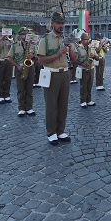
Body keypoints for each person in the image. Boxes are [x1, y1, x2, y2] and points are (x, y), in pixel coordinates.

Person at [37, 12, 77, 145]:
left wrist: (70, 48)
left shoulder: (66, 38)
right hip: (51, 74)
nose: (61, 26)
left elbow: (74, 59)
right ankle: (51, 132)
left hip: (65, 74)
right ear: (52, 24)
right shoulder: (46, 39)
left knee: (63, 105)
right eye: (58, 23)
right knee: (51, 105)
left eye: (62, 23)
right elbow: (40, 60)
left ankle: (61, 131)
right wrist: (58, 53)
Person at [8, 27, 35, 117]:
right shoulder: (15, 45)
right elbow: (9, 57)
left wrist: (31, 56)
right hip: (19, 68)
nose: (24, 36)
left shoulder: (32, 45)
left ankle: (29, 108)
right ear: (19, 35)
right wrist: (17, 66)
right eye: (23, 34)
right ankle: (21, 108)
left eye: (26, 34)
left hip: (30, 67)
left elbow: (37, 56)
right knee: (21, 89)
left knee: (29, 89)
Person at [74, 32, 99, 108]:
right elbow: (75, 60)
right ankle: (83, 101)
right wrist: (82, 64)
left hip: (91, 68)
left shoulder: (91, 48)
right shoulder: (78, 48)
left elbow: (98, 58)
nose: (87, 41)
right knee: (83, 86)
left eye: (88, 39)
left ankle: (89, 100)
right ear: (81, 40)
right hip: (83, 69)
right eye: (85, 39)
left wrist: (94, 56)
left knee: (90, 85)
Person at [0, 30, 14, 104]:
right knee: (0, 79)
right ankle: (0, 96)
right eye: (3, 32)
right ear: (0, 33)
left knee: (8, 79)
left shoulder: (9, 40)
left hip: (8, 61)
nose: (5, 34)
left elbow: (13, 49)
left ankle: (7, 95)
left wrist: (11, 41)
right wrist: (1, 38)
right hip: (0, 61)